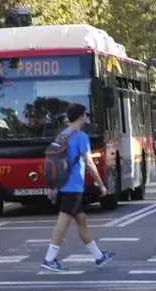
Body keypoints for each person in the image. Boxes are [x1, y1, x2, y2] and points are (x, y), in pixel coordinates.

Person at [40, 103, 114, 272]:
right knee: (64, 220)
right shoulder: (81, 137)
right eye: (85, 115)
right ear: (81, 116)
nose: (86, 118)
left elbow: (53, 162)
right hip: (73, 186)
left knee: (81, 220)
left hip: (62, 184)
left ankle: (99, 256)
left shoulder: (61, 135)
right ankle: (49, 259)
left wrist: (52, 187)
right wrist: (101, 184)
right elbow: (88, 162)